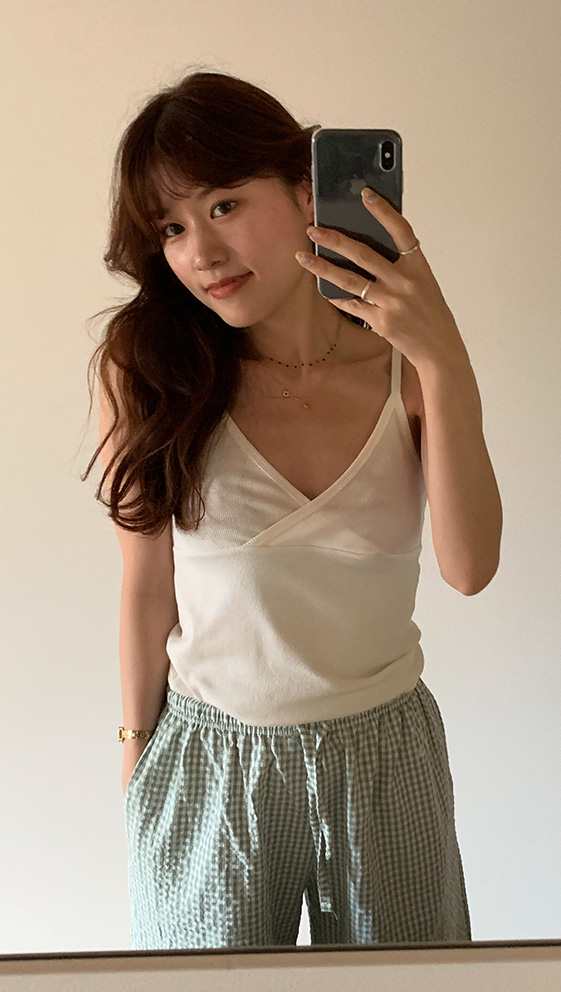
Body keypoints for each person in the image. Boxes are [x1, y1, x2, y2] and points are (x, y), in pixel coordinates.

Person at [83, 69, 502, 950]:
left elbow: (469, 569)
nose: (201, 251)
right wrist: (136, 758)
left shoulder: (404, 372)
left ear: (307, 189)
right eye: (171, 227)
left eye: (225, 204)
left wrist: (445, 360)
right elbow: (146, 587)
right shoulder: (150, 373)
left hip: (386, 756)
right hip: (209, 759)